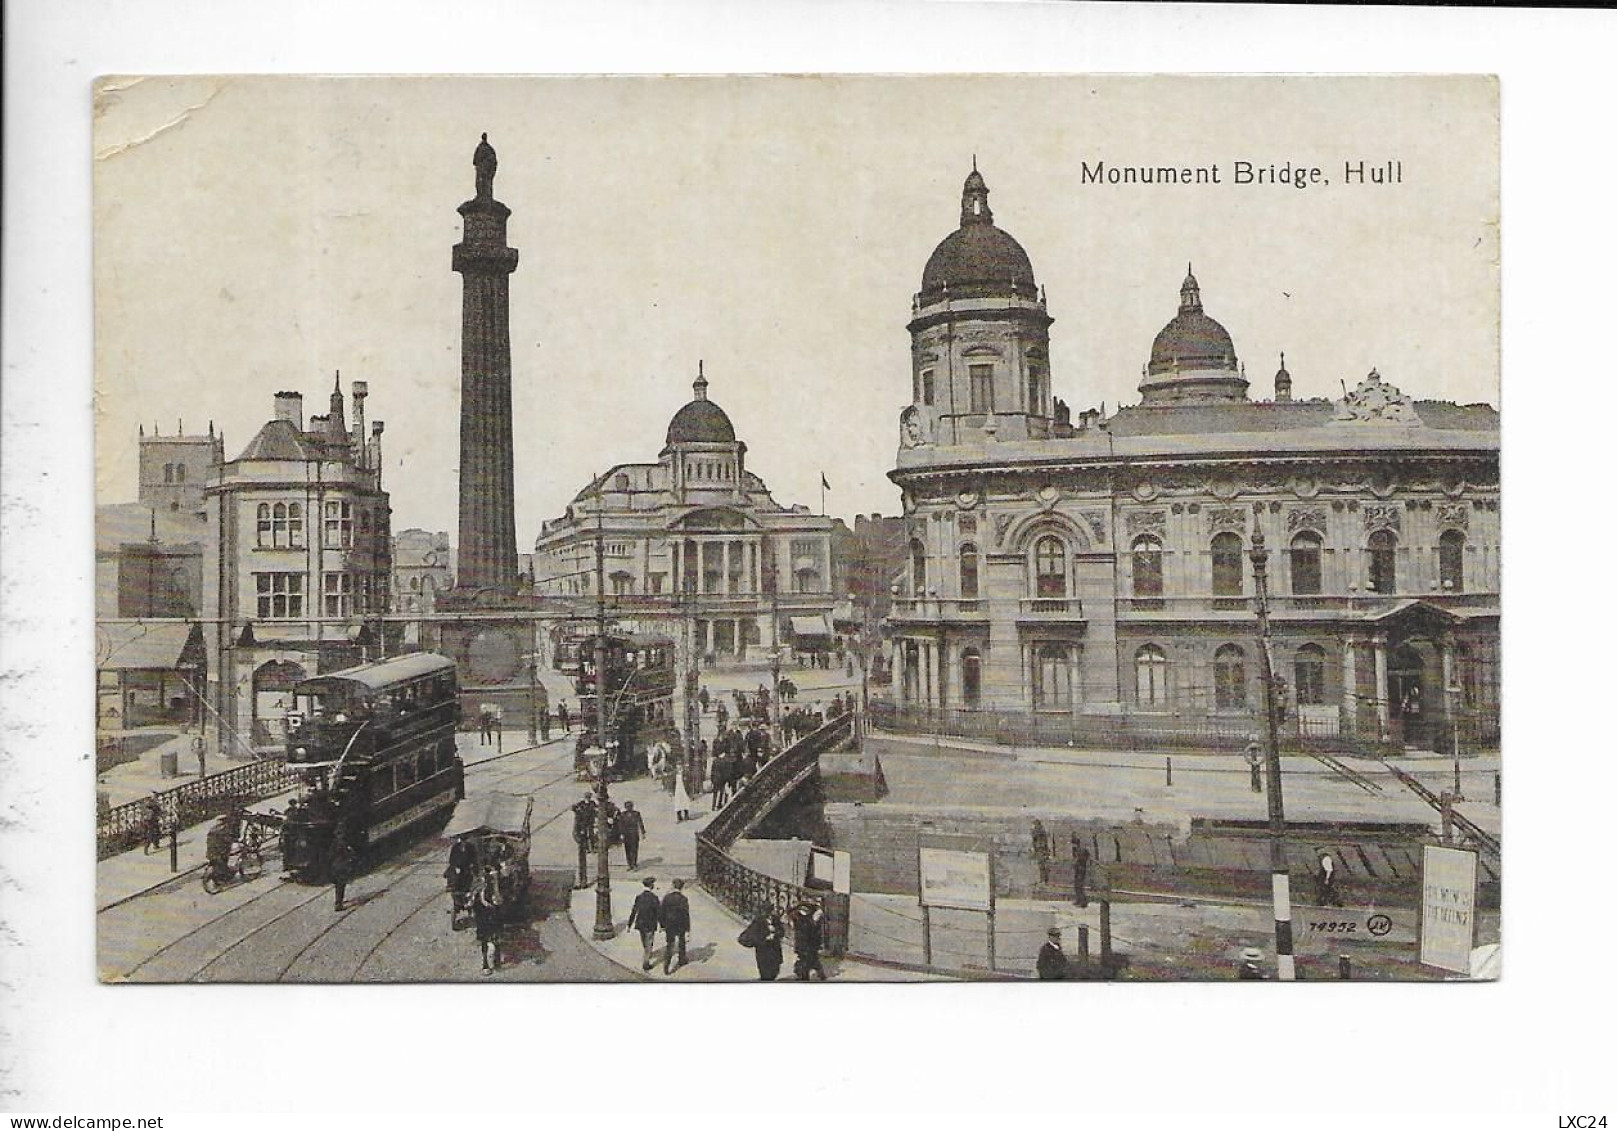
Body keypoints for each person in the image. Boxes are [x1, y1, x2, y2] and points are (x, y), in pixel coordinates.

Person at [738, 904, 786, 981]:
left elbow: (782, 932)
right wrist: (765, 938)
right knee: (765, 972)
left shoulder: (776, 919)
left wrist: (775, 933)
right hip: (763, 951)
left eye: (771, 911)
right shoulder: (758, 921)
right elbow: (752, 935)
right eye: (768, 911)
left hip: (775, 950)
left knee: (775, 971)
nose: (771, 913)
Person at [472, 867, 503, 975]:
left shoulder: (496, 885)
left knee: (497, 933)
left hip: (493, 912)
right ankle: (485, 963)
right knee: (483, 938)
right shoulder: (478, 885)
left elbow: (498, 899)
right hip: (482, 914)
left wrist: (496, 886)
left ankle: (497, 958)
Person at [627, 877, 661, 971]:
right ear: (651, 885)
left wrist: (629, 924)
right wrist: (662, 925)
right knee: (649, 942)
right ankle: (646, 963)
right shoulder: (654, 898)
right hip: (650, 924)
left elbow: (634, 911)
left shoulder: (639, 897)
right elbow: (659, 913)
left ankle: (647, 952)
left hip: (640, 923)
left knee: (644, 941)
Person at [789, 899, 827, 981]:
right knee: (809, 961)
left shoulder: (810, 919)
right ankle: (807, 976)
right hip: (803, 944)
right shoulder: (800, 918)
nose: (803, 911)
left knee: (810, 961)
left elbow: (813, 931)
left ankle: (809, 976)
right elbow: (790, 912)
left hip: (809, 944)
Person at [660, 878, 691, 974]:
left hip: (669, 924)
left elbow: (661, 912)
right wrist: (688, 928)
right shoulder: (683, 899)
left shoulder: (667, 897)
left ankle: (666, 965)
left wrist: (662, 924)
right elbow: (686, 914)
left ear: (673, 886)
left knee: (670, 944)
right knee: (682, 942)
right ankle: (682, 959)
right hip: (680, 924)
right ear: (682, 888)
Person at [571, 792, 597, 888]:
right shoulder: (581, 805)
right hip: (582, 829)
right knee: (582, 855)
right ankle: (583, 881)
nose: (588, 799)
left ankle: (592, 846)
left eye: (589, 797)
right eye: (587, 797)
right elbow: (574, 810)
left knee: (591, 835)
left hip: (589, 826)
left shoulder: (592, 804)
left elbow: (596, 811)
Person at [329, 835, 356, 912]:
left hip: (335, 866)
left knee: (338, 886)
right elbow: (351, 854)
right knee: (341, 886)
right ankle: (339, 904)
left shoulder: (333, 843)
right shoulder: (345, 844)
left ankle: (338, 901)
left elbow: (330, 854)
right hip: (342, 867)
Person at [618, 801, 647, 870]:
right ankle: (629, 864)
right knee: (627, 849)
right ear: (625, 807)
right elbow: (620, 825)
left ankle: (634, 864)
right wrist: (621, 834)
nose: (629, 808)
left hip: (634, 834)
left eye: (630, 806)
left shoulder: (636, 814)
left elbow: (640, 823)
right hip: (626, 834)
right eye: (627, 807)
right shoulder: (622, 815)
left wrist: (643, 833)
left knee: (634, 849)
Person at [1070, 831, 1091, 908]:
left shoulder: (1081, 850)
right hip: (1079, 869)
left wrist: (1078, 861)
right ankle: (1079, 900)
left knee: (1079, 886)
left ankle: (1082, 902)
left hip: (1081, 869)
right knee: (1077, 885)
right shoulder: (1078, 850)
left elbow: (1082, 858)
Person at [1031, 818, 1051, 885]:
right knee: (1041, 865)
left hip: (1041, 849)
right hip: (1040, 849)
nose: (1034, 825)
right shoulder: (1041, 830)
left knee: (1042, 865)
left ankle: (1043, 880)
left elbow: (1036, 839)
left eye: (1035, 824)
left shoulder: (1039, 831)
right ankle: (1043, 880)